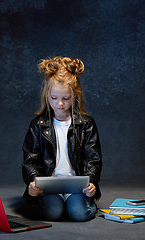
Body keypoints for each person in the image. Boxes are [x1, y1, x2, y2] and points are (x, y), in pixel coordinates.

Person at [21, 56, 102, 222]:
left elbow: (93, 159)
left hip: (77, 187)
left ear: (75, 96)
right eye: (54, 98)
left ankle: (81, 203)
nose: (60, 104)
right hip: (49, 187)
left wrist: (91, 182)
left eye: (66, 98)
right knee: (53, 213)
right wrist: (32, 183)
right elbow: (30, 161)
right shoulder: (38, 125)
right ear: (46, 95)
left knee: (80, 214)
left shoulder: (86, 124)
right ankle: (60, 204)